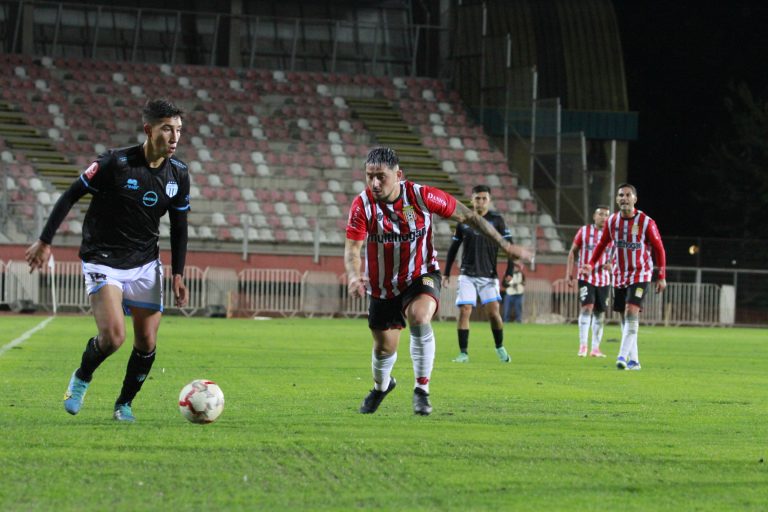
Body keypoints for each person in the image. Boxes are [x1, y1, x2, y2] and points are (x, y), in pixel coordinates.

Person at [25, 99, 190, 421]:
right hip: (103, 259)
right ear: (148, 130)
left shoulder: (179, 174)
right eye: (167, 129)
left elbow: (179, 227)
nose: (174, 137)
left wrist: (178, 273)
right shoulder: (115, 162)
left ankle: (124, 404)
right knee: (114, 337)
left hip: (145, 262)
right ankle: (82, 377)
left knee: (147, 341)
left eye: (179, 130)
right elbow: (71, 194)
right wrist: (44, 241)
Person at [345, 147, 533, 415]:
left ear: (398, 175)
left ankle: (422, 390)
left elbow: (468, 216)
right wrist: (354, 276)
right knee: (384, 349)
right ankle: (381, 386)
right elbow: (353, 249)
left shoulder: (421, 196)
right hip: (383, 286)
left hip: (421, 274)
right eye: (369, 176)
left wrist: (505, 246)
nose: (374, 183)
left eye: (381, 176)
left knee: (419, 316)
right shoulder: (362, 205)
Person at [579, 184, 666, 370]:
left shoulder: (646, 222)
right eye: (621, 195)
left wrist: (661, 275)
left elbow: (659, 249)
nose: (624, 198)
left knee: (630, 310)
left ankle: (621, 357)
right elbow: (602, 244)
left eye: (628, 195)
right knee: (623, 316)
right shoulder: (612, 221)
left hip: (641, 273)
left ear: (635, 199)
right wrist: (591, 264)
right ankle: (634, 360)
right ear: (617, 199)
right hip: (619, 275)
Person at [443, 185, 516, 364]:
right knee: (465, 310)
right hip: (467, 274)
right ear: (472, 200)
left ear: (489, 201)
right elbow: (454, 248)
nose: (481, 202)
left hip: (488, 276)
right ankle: (463, 353)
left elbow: (509, 247)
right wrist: (446, 273)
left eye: (484, 198)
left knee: (493, 314)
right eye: (478, 198)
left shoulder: (497, 221)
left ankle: (499, 347)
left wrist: (510, 271)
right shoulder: (464, 220)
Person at [566, 205, 612, 358]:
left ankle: (595, 348)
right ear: (594, 216)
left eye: (606, 215)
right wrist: (569, 274)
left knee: (600, 313)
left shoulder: (612, 235)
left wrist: (612, 265)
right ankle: (583, 345)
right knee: (587, 308)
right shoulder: (584, 231)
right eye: (601, 214)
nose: (603, 217)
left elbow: (617, 255)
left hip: (604, 278)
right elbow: (572, 252)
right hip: (586, 277)